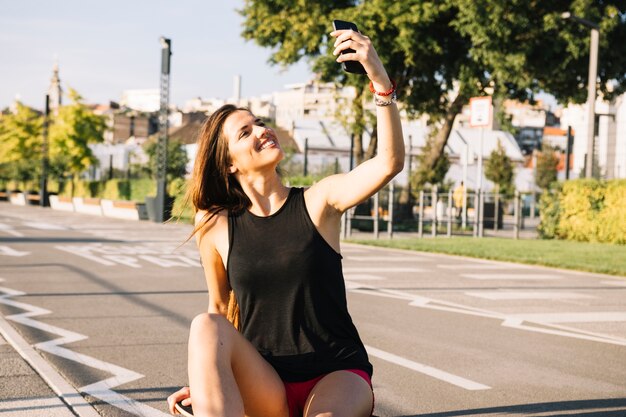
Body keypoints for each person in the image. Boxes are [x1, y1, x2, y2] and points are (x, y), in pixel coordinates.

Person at [167, 27, 404, 417]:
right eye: (246, 132)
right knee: (204, 325)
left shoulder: (319, 201)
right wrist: (209, 382)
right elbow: (221, 308)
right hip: (267, 381)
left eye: (260, 122)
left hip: (335, 373)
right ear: (229, 163)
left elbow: (389, 163)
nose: (263, 130)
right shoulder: (214, 224)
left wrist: (377, 76)